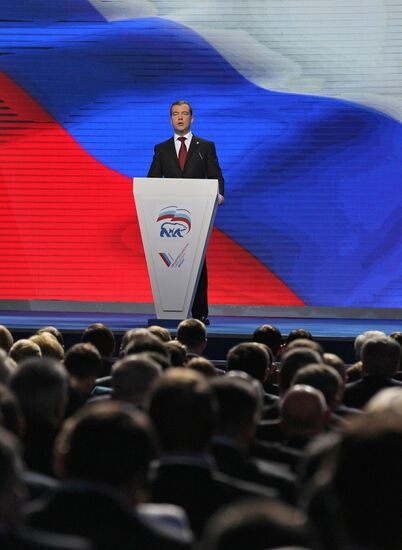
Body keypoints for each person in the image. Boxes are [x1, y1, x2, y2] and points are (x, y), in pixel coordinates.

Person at [147, 100, 225, 325]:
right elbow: (152, 181)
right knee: (170, 262)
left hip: (196, 214)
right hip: (169, 216)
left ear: (192, 118)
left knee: (197, 263)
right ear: (170, 119)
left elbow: (216, 176)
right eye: (175, 114)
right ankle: (170, 310)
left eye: (184, 114)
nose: (179, 118)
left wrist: (219, 193)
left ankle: (200, 313)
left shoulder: (205, 147)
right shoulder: (161, 149)